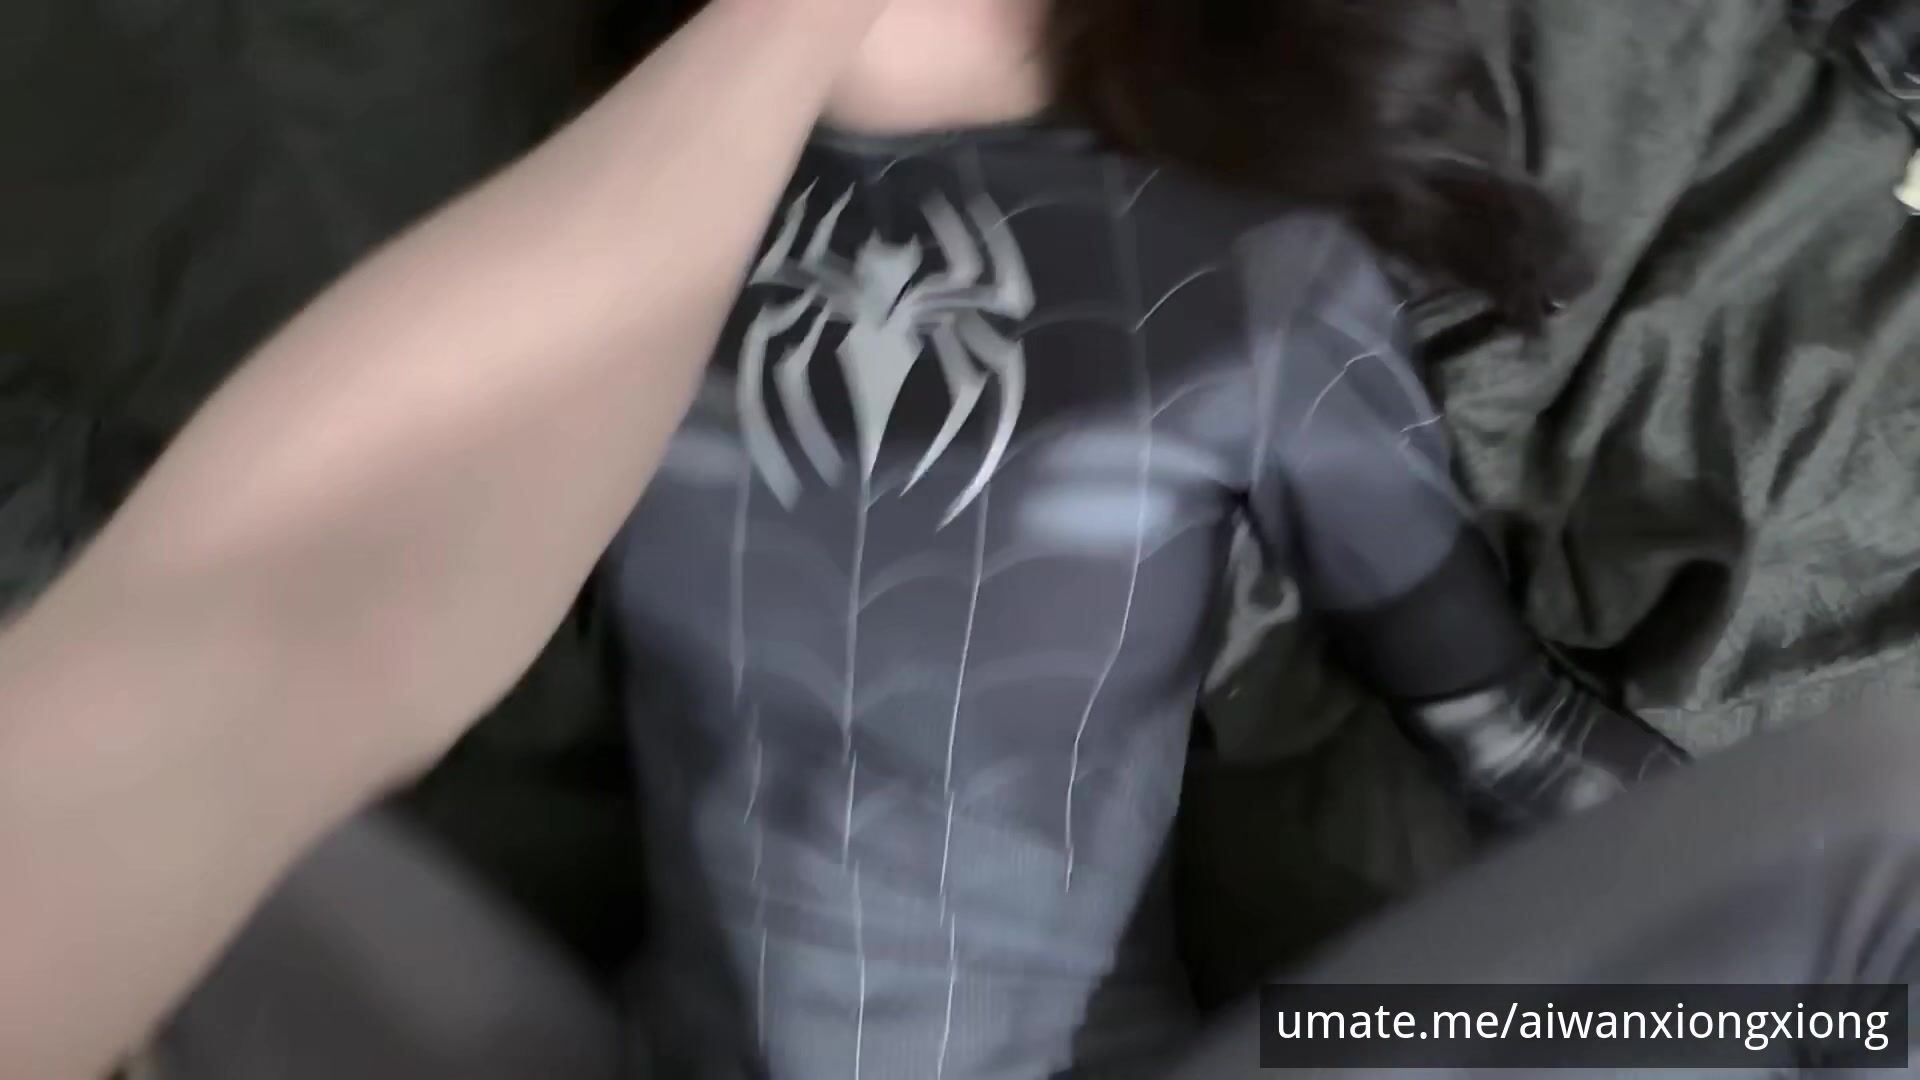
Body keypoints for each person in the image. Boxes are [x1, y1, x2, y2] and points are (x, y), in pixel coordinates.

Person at [0, 0, 1684, 1077]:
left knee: (1790, 945)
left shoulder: (1253, 275)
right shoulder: (599, 254)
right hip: (626, 1041)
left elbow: (1502, 727)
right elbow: (221, 652)